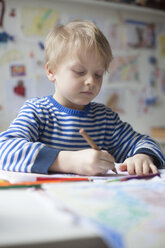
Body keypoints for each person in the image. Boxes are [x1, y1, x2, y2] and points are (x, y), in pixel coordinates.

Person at [0, 20, 164, 176]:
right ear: (51, 71)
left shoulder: (105, 119)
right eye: (79, 72)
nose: (91, 81)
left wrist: (143, 157)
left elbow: (147, 143)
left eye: (98, 74)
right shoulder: (37, 111)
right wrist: (69, 161)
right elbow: (5, 149)